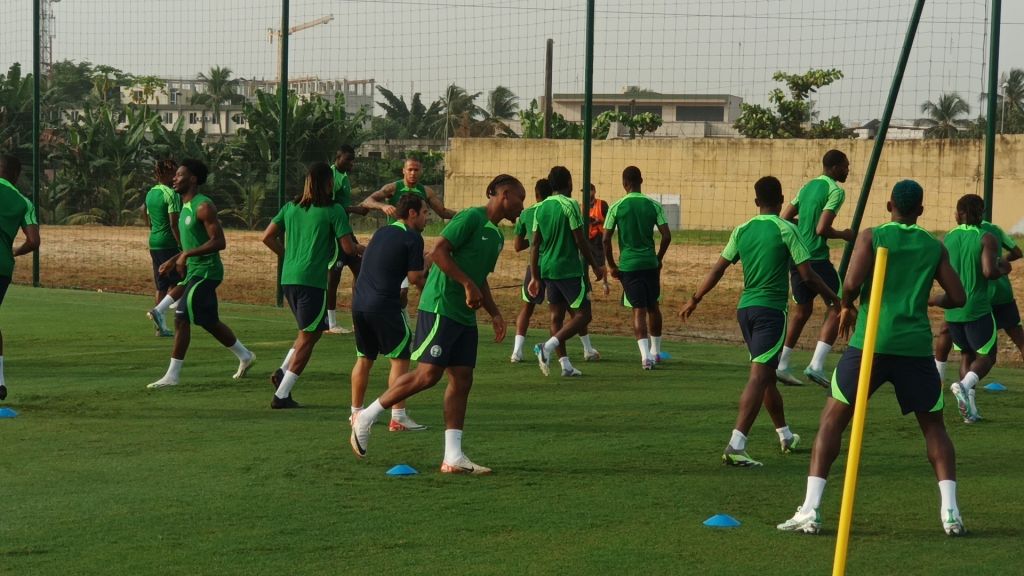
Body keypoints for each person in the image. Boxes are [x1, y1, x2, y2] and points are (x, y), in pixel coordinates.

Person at [777, 180, 968, 536]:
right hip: (913, 347)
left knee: (833, 419)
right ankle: (951, 513)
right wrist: (929, 300)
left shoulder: (871, 236)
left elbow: (850, 282)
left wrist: (848, 305)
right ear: (921, 211)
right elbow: (958, 296)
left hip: (870, 344)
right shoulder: (933, 246)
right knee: (934, 427)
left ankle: (812, 509)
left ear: (888, 204)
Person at [350, 175, 525, 475]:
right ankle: (366, 416)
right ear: (504, 194)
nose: (523, 206)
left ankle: (453, 457)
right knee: (428, 375)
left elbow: (479, 275)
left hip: (464, 314)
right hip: (441, 305)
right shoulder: (471, 217)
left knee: (462, 379)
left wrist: (494, 312)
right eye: (520, 198)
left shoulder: (496, 236)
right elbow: (439, 251)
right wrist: (466, 284)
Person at [679, 176, 839, 467]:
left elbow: (718, 269)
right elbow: (807, 275)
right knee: (759, 376)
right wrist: (835, 299)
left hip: (746, 311)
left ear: (756, 202)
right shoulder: (787, 228)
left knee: (765, 376)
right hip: (770, 312)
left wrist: (695, 298)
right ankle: (736, 445)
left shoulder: (742, 229)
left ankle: (786, 435)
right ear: (781, 201)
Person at [147, 159, 255, 389]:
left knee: (181, 317)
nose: (174, 178)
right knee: (208, 320)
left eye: (179, 175)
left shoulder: (203, 206)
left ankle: (173, 376)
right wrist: (174, 258)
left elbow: (219, 242)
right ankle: (245, 356)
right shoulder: (184, 206)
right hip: (194, 271)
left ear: (193, 179)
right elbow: (191, 245)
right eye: (174, 175)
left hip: (207, 271)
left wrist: (185, 255)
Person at [261, 162, 357, 409]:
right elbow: (348, 248)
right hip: (312, 281)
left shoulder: (290, 207)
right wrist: (372, 250)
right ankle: (282, 394)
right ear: (328, 183)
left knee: (308, 333)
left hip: (288, 279)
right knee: (309, 336)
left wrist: (288, 255)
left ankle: (282, 373)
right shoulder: (333, 210)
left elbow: (266, 236)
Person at [349, 194, 429, 431]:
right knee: (401, 358)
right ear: (412, 213)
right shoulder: (413, 237)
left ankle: (355, 414)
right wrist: (430, 263)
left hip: (359, 303)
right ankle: (398, 415)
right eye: (425, 212)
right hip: (384, 305)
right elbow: (415, 278)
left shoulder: (381, 232)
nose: (427, 217)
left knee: (364, 359)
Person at [776, 150, 855, 388]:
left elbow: (785, 217)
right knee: (839, 305)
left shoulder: (806, 187)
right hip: (817, 258)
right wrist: (844, 234)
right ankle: (817, 366)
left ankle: (782, 365)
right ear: (834, 167)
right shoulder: (836, 191)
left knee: (802, 311)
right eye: (846, 166)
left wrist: (804, 227)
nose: (848, 170)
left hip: (797, 257)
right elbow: (822, 229)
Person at [530, 166, 606, 377]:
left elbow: (535, 245)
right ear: (569, 183)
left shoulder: (541, 207)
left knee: (556, 317)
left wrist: (535, 276)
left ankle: (566, 366)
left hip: (547, 269)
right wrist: (595, 265)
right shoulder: (570, 204)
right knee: (584, 314)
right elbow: (579, 239)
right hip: (568, 269)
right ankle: (547, 347)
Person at [940, 194, 1009, 424]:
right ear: (981, 213)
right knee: (987, 356)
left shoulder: (947, 237)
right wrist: (1004, 268)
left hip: (953, 310)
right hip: (977, 308)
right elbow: (989, 272)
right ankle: (964, 385)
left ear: (959, 213)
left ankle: (970, 411)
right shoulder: (985, 237)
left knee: (967, 355)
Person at [934, 208, 1022, 381]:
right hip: (999, 293)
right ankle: (961, 388)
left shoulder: (950, 236)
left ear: (959, 214)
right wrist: (1000, 261)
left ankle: (938, 379)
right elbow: (1017, 252)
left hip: (971, 297)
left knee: (956, 341)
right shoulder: (993, 230)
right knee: (1017, 336)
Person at [360, 157, 457, 309]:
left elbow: (443, 212)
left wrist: (464, 216)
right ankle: (409, 313)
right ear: (404, 171)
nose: (413, 173)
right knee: (403, 289)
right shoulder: (393, 188)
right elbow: (367, 201)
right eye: (410, 169)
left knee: (420, 279)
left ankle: (430, 310)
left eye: (416, 170)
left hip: (414, 242)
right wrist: (382, 206)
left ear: (421, 172)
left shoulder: (426, 191)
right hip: (395, 243)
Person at [603, 166, 671, 369]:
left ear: (624, 184)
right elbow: (666, 236)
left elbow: (606, 239)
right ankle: (656, 352)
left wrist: (612, 265)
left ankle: (645, 357)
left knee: (638, 310)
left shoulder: (616, 207)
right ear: (641, 180)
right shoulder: (654, 205)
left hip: (629, 265)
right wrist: (658, 258)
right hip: (650, 263)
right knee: (653, 306)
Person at [0, 154, 40, 402]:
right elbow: (34, 241)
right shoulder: (24, 202)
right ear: (16, 175)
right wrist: (13, 251)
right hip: (3, 267)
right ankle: (0, 381)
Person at [325, 145, 368, 334]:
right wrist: (355, 209)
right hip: (336, 233)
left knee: (361, 271)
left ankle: (358, 319)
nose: (352, 163)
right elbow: (330, 205)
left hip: (345, 230)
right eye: (348, 159)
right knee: (333, 277)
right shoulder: (332, 176)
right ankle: (331, 323)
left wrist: (353, 208)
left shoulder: (343, 177)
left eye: (353, 160)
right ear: (338, 157)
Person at [510, 178, 554, 363]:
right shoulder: (554, 210)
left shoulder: (526, 214)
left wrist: (532, 238)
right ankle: (587, 348)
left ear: (536, 195)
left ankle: (517, 352)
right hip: (553, 264)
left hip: (534, 265)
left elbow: (518, 246)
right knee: (566, 308)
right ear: (551, 194)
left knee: (527, 307)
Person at [143, 159, 182, 337]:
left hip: (154, 242)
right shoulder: (172, 194)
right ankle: (160, 311)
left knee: (161, 284)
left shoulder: (150, 193)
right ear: (165, 174)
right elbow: (174, 223)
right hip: (169, 243)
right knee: (181, 280)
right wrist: (182, 244)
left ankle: (161, 328)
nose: (175, 177)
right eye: (173, 173)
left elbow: (149, 221)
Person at [586, 184, 611, 295]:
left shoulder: (602, 204)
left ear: (594, 191)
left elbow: (609, 220)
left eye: (589, 190)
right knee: (584, 262)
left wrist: (599, 221)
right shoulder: (583, 206)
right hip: (586, 237)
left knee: (601, 263)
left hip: (599, 237)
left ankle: (605, 283)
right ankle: (588, 286)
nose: (587, 193)